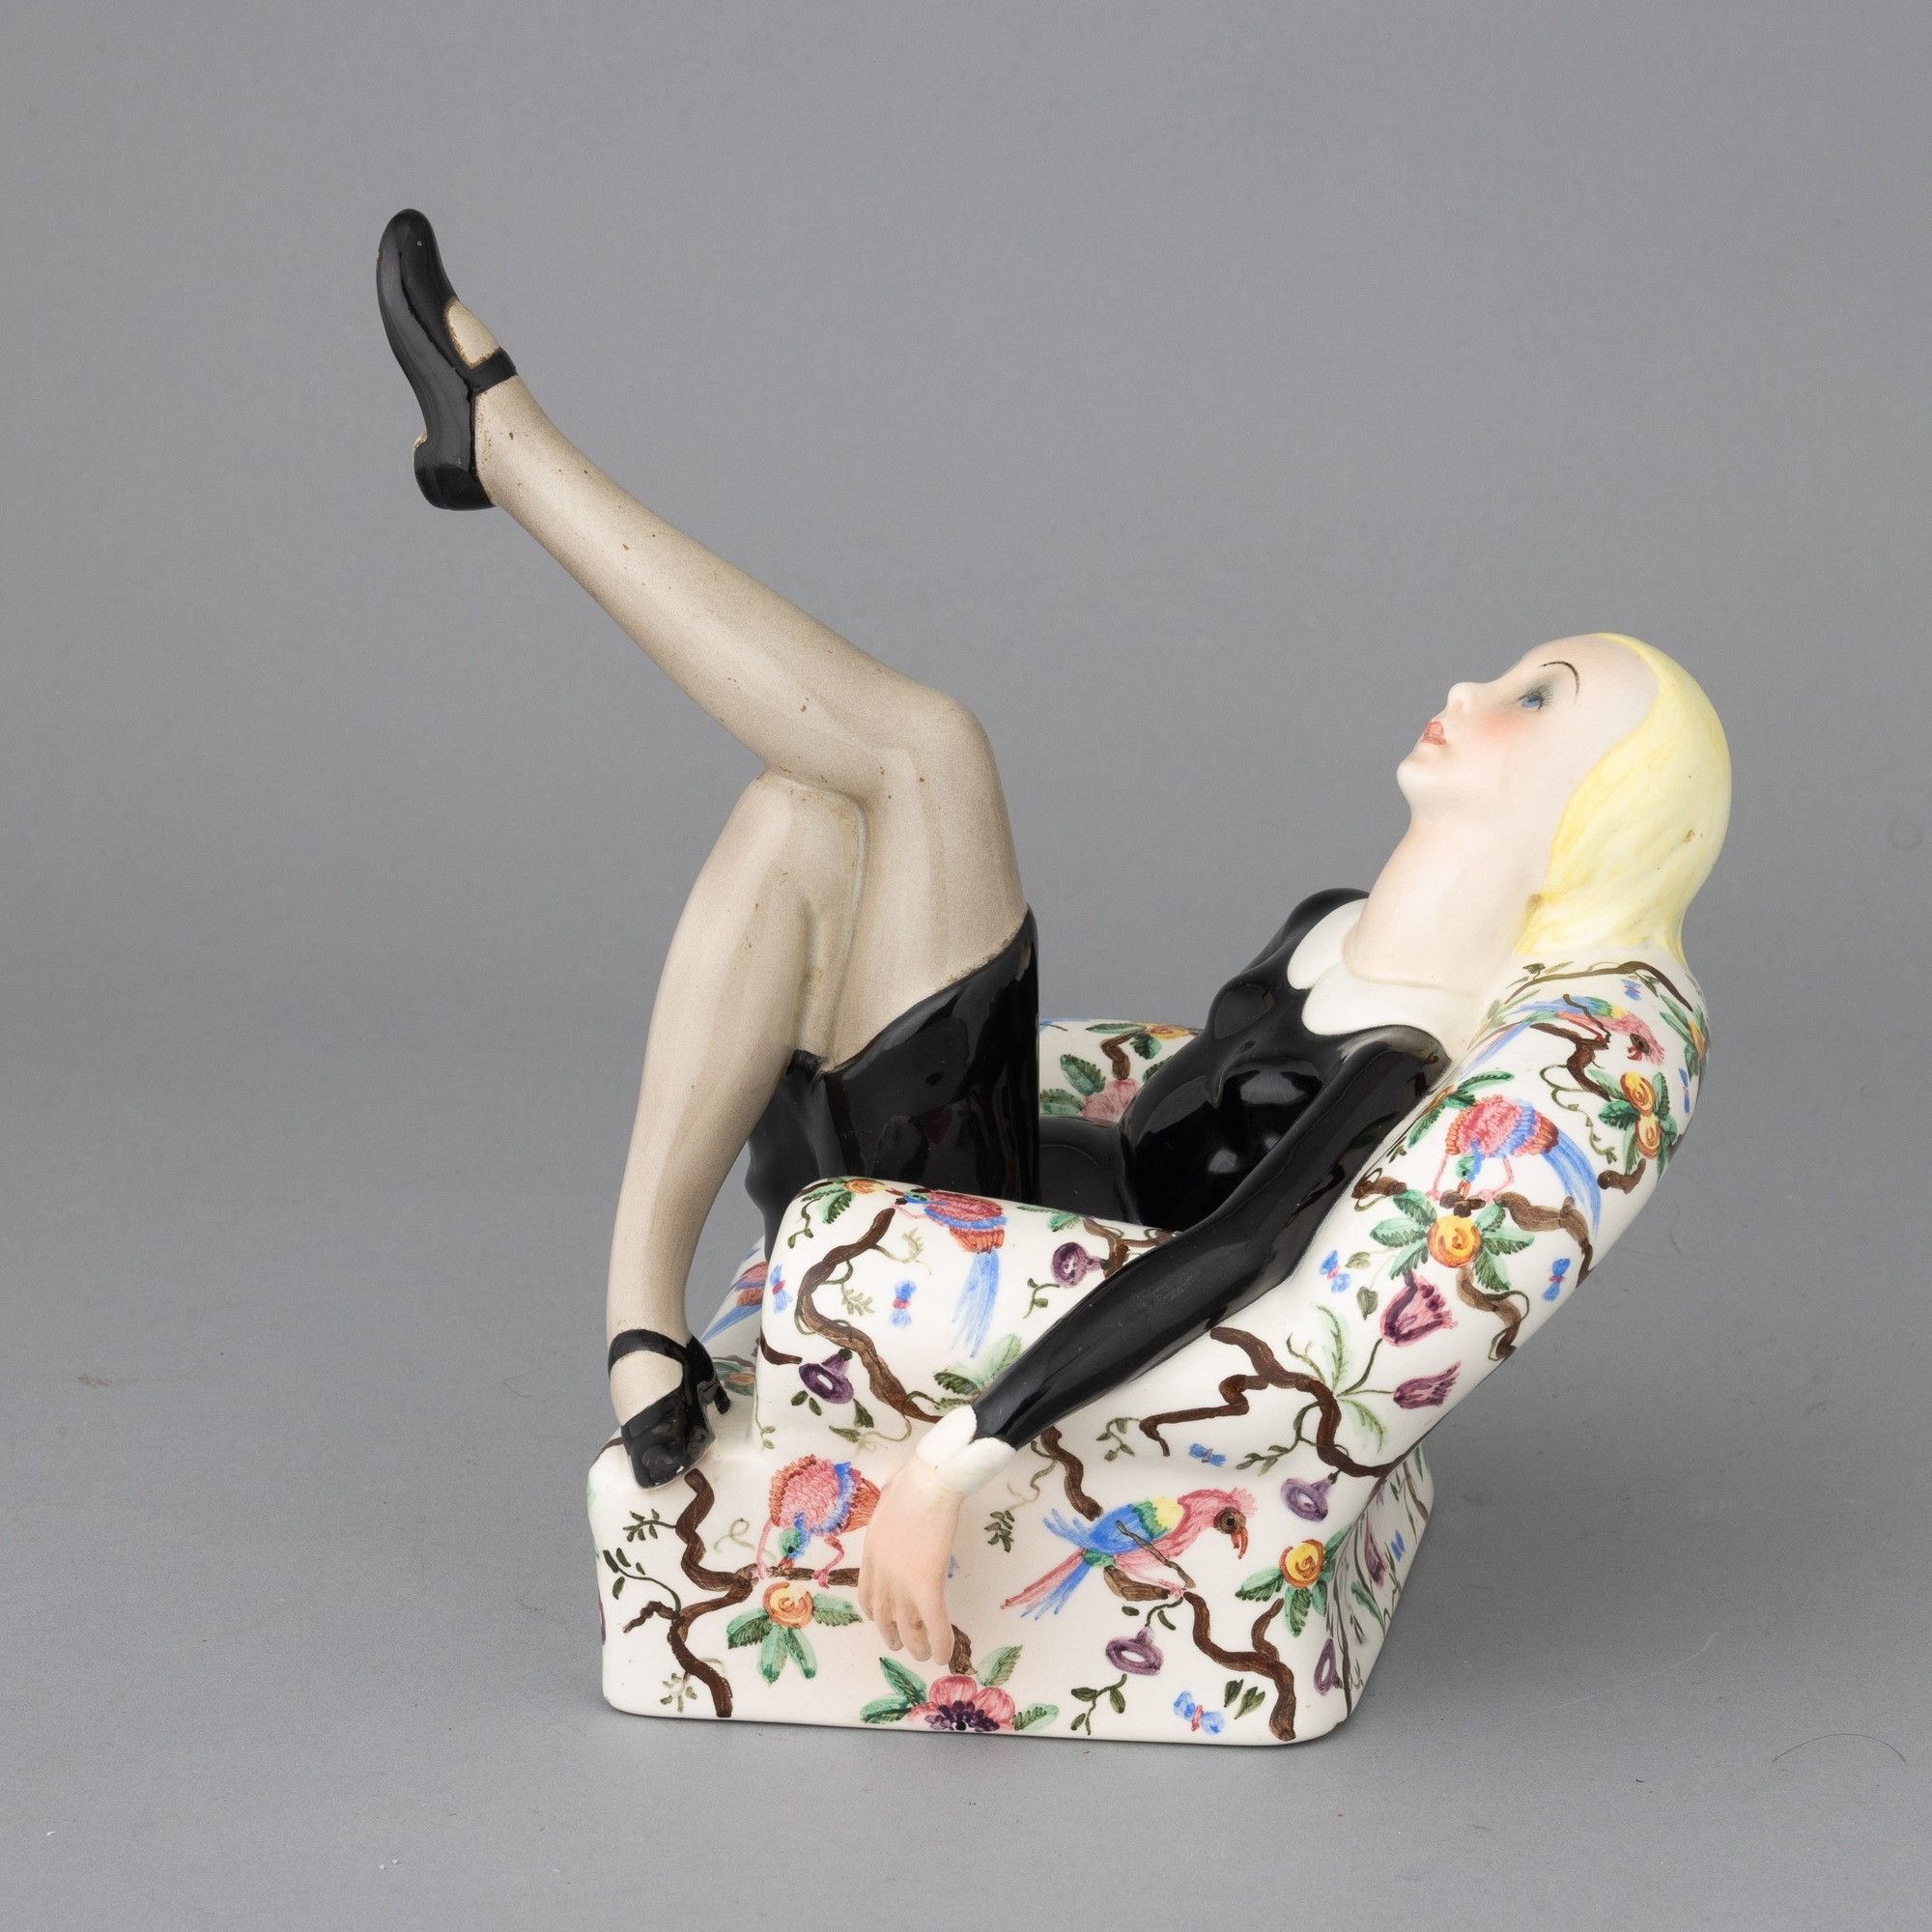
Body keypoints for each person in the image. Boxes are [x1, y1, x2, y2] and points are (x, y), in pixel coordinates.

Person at [378, 211, 1729, 1668]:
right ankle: (642, 1316)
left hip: (952, 1238)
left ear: (1592, 813)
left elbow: (1235, 1256)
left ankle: (514, 453)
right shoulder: (1331, 929)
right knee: (798, 816)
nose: (1471, 689)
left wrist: (958, 1458)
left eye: (1535, 702)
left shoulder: (1403, 1056)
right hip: (972, 1162)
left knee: (926, 751)